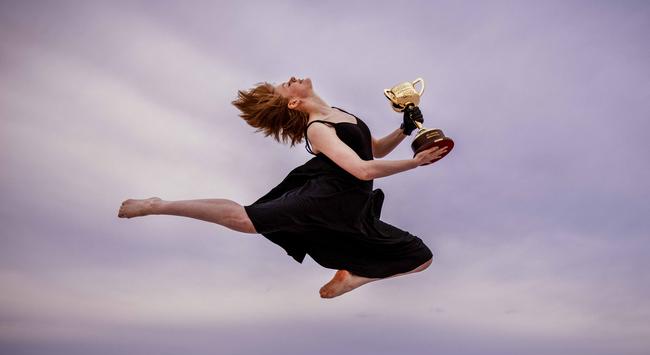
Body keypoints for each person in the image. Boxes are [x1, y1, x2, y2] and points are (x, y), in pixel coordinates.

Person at [118, 76, 448, 299]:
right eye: (285, 87)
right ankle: (157, 205)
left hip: (352, 209)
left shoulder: (341, 113)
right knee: (245, 220)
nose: (290, 80)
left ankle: (357, 276)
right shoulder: (318, 129)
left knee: (420, 258)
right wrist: (415, 163)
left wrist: (404, 130)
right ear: (292, 104)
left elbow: (373, 150)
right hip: (321, 199)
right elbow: (362, 170)